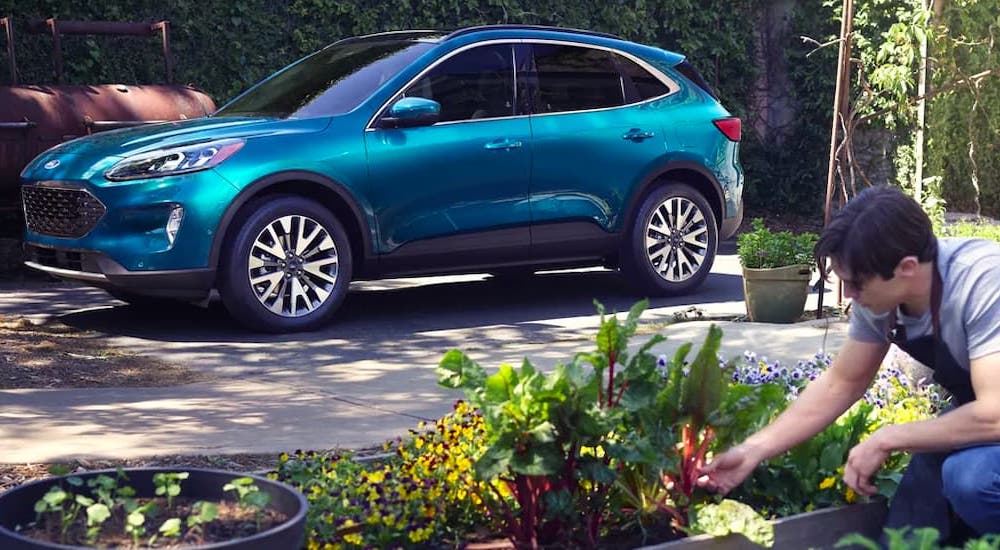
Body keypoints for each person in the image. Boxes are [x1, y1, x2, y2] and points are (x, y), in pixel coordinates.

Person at [699, 185, 1000, 542]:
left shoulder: (982, 282)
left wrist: (888, 438)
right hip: (981, 413)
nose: (851, 297)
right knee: (915, 519)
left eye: (856, 285)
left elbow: (994, 414)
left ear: (906, 268)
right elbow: (842, 383)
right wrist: (752, 451)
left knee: (972, 479)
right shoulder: (883, 299)